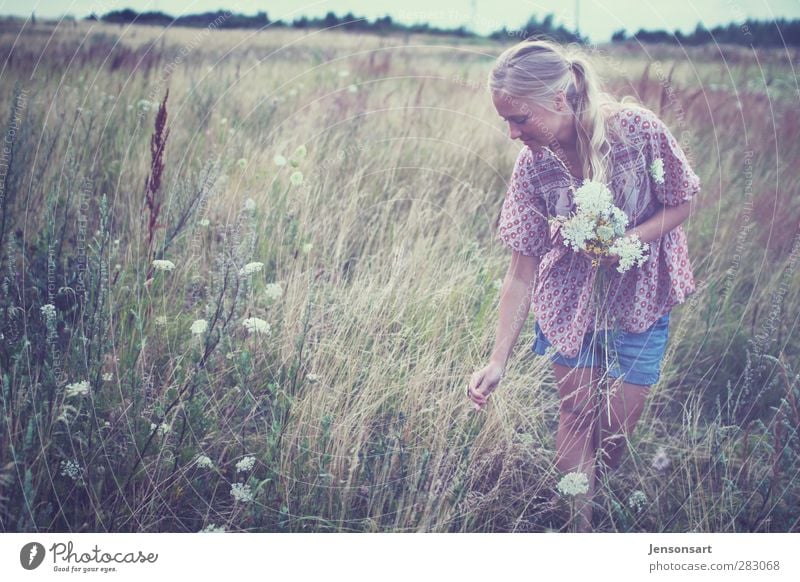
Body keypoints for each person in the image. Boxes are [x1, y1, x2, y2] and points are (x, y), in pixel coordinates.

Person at [466, 39, 701, 532]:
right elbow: (520, 271)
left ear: (557, 99)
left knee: (615, 428)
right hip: (570, 300)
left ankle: (599, 483)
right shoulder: (533, 164)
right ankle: (581, 531)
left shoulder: (636, 131)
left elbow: (682, 201)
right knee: (574, 414)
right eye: (505, 121)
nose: (511, 133)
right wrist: (498, 360)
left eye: (519, 119)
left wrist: (629, 240)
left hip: (640, 297)